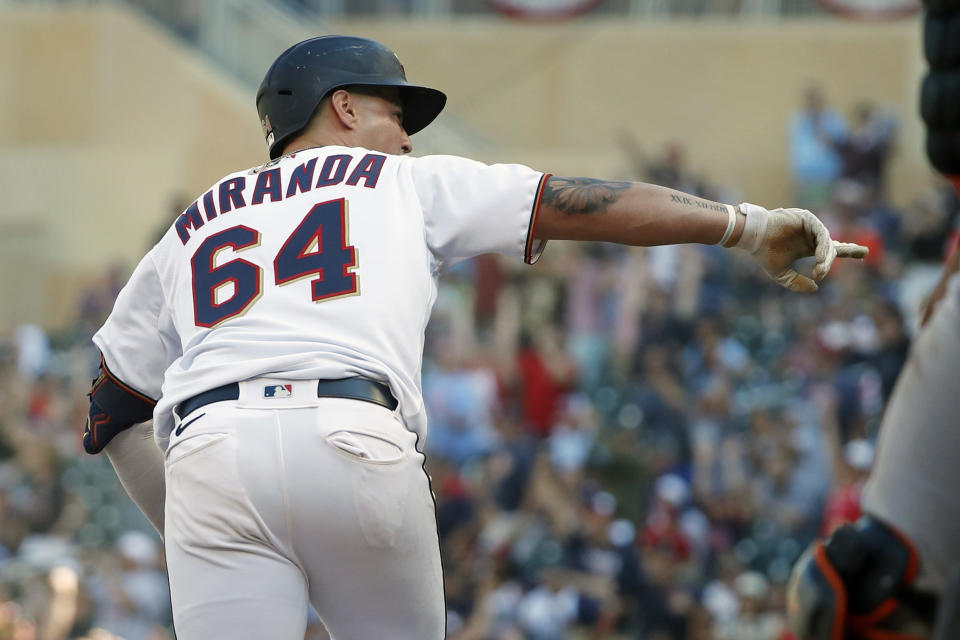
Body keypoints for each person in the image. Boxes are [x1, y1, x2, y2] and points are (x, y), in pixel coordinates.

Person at [84, 35, 866, 640]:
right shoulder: (401, 182)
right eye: (395, 113)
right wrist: (747, 225)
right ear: (345, 107)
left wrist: (196, 522)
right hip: (350, 436)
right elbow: (585, 202)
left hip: (209, 449)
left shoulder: (197, 220)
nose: (408, 137)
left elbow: (111, 405)